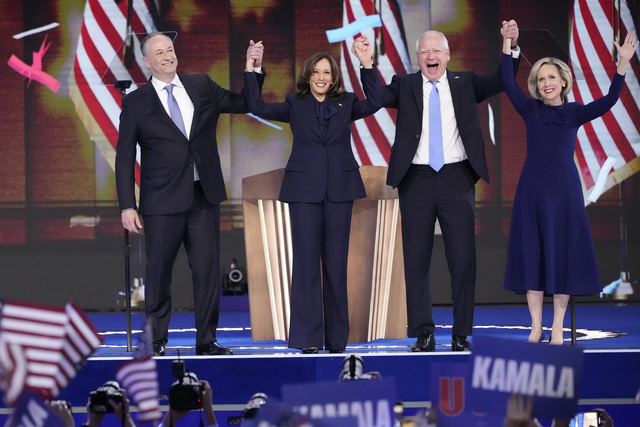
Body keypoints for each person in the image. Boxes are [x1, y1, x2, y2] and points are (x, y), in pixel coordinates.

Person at [371, 21, 521, 352]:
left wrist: (508, 45)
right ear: (417, 58)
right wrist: (368, 63)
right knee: (416, 260)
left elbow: (502, 80)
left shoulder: (466, 82)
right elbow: (377, 97)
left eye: (436, 50)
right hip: (416, 180)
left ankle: (461, 333)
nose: (431, 56)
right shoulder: (405, 84)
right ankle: (423, 332)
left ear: (448, 54)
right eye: (424, 51)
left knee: (463, 259)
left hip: (457, 178)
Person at [115, 32, 265, 356]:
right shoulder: (136, 102)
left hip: (203, 196)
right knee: (158, 273)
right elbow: (125, 158)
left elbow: (246, 103)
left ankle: (206, 340)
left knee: (207, 271)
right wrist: (127, 206)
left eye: (170, 49)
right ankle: (156, 339)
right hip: (161, 201)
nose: (167, 55)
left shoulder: (201, 85)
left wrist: (252, 68)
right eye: (159, 52)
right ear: (146, 61)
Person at [242, 36, 383, 353]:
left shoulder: (347, 103)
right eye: (316, 72)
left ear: (333, 78)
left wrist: (366, 63)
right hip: (304, 193)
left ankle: (336, 340)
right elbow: (256, 106)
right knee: (306, 264)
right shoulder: (294, 104)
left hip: (339, 191)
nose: (321, 77)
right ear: (307, 76)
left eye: (327, 73)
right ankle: (307, 339)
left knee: (336, 265)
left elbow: (376, 101)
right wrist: (252, 68)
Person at [501, 27, 638, 345]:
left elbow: (609, 100)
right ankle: (536, 327)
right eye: (540, 79)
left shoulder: (574, 112)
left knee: (560, 259)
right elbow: (507, 81)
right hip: (531, 193)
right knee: (533, 259)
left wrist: (623, 63)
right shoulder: (530, 109)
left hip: (564, 194)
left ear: (563, 81)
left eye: (551, 77)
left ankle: (557, 328)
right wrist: (507, 42)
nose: (545, 83)